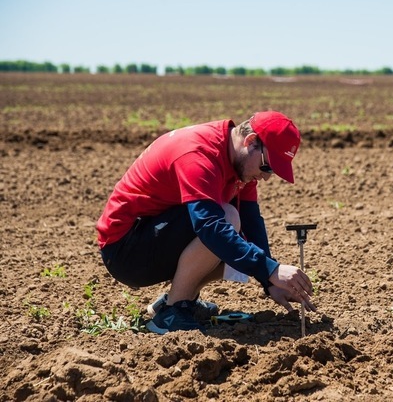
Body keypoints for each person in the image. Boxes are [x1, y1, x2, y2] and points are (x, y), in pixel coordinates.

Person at [97, 111, 317, 334]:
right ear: (250, 142)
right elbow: (209, 226)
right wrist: (271, 270)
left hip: (154, 235)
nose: (267, 177)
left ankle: (177, 302)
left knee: (235, 235)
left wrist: (269, 281)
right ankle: (173, 312)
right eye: (267, 167)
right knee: (226, 220)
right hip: (125, 251)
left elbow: (251, 221)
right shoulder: (199, 154)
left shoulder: (241, 165)